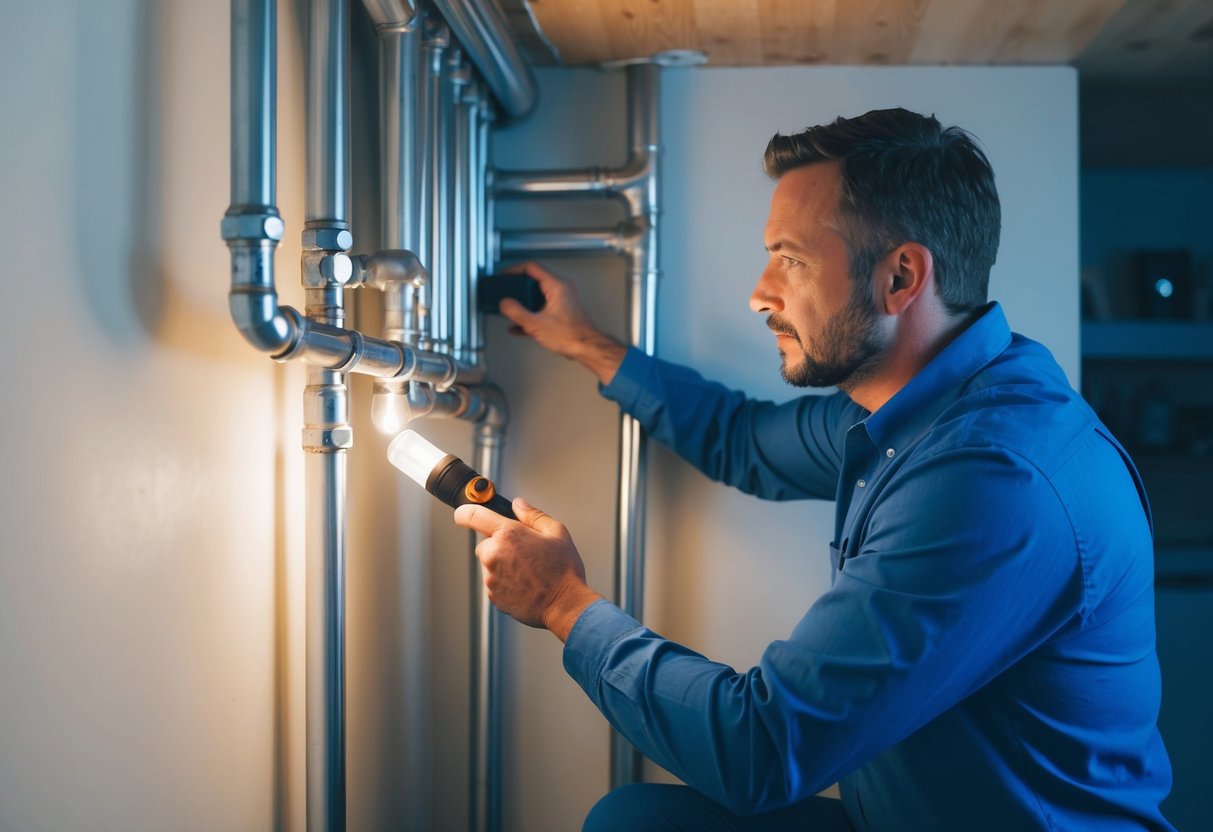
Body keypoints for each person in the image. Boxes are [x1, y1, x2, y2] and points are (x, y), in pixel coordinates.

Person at [452, 108, 1174, 831]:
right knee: (633, 819)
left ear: (899, 276)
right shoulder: (910, 404)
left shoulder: (991, 482)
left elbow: (761, 751)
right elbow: (741, 439)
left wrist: (561, 605)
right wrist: (585, 343)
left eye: (791, 260)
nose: (760, 293)